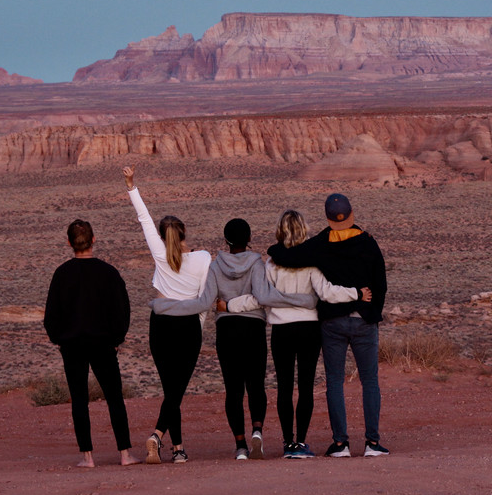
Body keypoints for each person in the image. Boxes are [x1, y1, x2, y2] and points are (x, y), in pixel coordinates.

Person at [149, 218, 318, 460]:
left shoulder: (216, 267)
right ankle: (257, 430)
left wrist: (161, 305)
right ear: (249, 239)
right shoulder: (257, 264)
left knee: (233, 390)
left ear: (226, 241)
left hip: (227, 330)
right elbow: (263, 296)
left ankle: (240, 446)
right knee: (256, 385)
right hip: (253, 328)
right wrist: (303, 300)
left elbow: (202, 303)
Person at [223, 210, 372, 459]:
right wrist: (356, 293)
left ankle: (287, 443)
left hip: (281, 331)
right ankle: (301, 443)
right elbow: (327, 292)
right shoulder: (312, 261)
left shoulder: (270, 264)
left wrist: (229, 306)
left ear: (280, 230)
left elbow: (258, 298)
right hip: (309, 330)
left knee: (284, 387)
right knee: (304, 386)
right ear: (303, 229)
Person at [267, 194, 389, 458]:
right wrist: (371, 310)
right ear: (351, 213)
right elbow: (381, 282)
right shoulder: (368, 242)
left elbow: (289, 256)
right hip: (363, 320)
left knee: (334, 381)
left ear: (328, 218)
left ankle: (341, 444)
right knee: (369, 380)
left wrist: (272, 250)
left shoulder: (320, 244)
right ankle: (372, 443)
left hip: (332, 323)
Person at [123, 166, 211, 464]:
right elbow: (204, 299)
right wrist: (200, 328)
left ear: (162, 238)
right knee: (176, 390)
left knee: (170, 390)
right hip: (188, 327)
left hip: (160, 325)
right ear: (185, 233)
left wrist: (132, 186)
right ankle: (158, 437)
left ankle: (177, 449)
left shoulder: (160, 255)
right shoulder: (203, 259)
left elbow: (144, 219)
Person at [44, 219, 139, 468]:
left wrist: (59, 339)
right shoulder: (108, 273)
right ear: (94, 240)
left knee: (79, 400)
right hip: (104, 344)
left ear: (69, 243)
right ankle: (125, 454)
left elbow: (51, 315)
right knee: (114, 398)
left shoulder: (62, 274)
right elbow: (122, 310)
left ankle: (87, 457)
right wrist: (117, 339)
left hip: (72, 345)